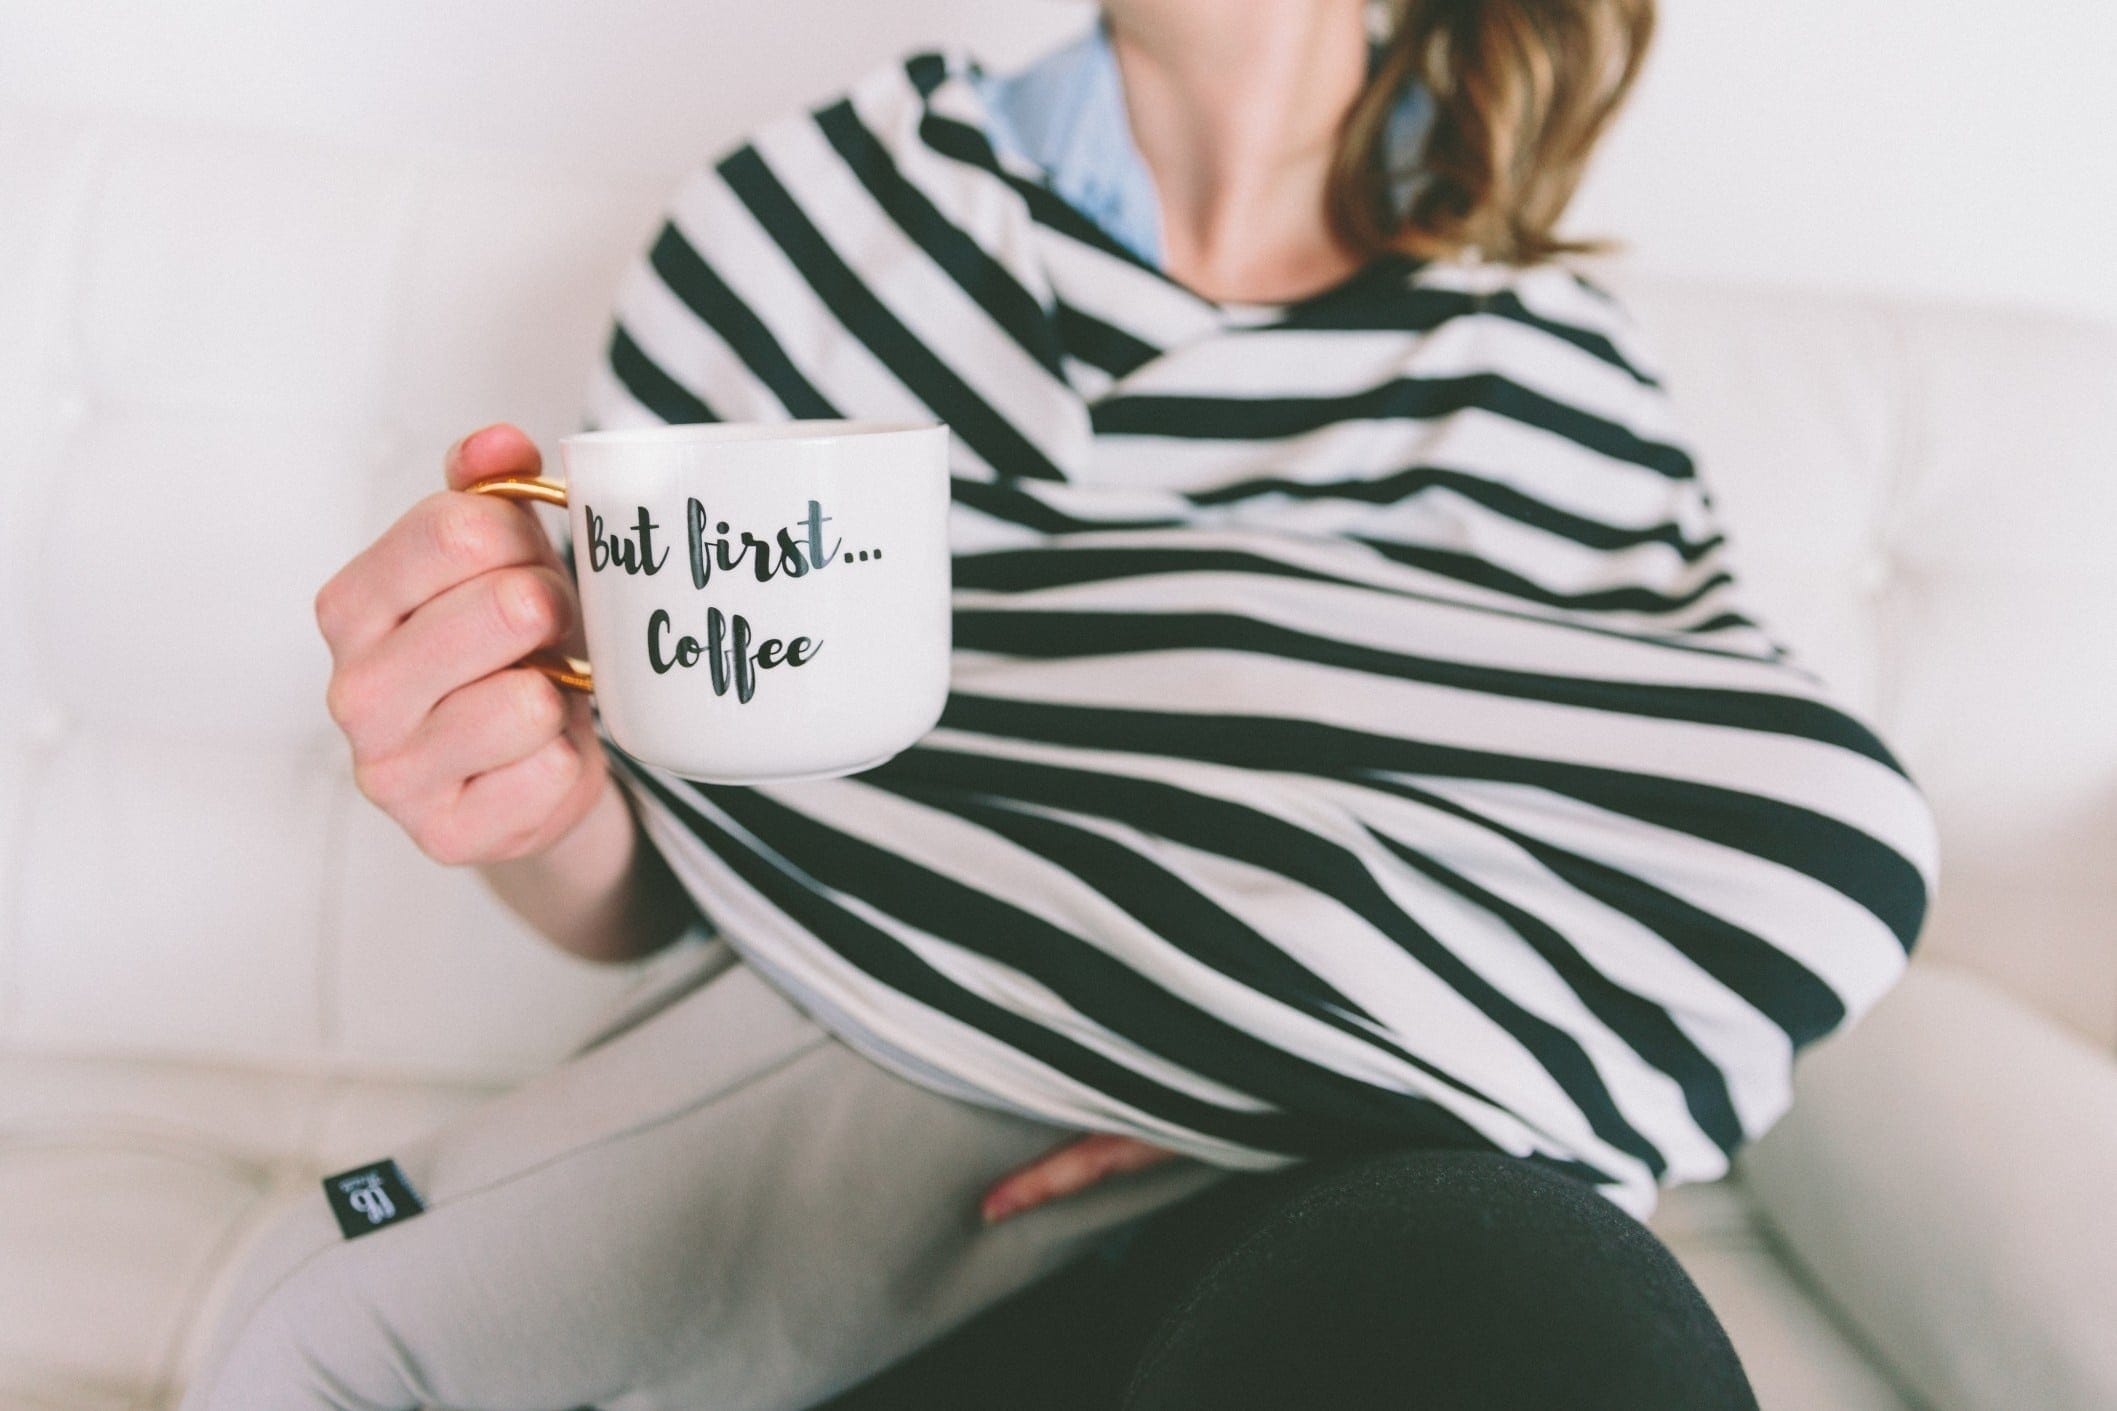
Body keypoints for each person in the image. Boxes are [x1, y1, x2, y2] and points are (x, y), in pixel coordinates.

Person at [181, 1, 1936, 1407]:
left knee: (1533, 1262)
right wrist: (532, 793)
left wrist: (1267, 1056)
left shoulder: (1546, 373)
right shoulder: (808, 228)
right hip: (860, 1189)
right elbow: (680, 863)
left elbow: (1728, 877)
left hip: (1370, 1217)